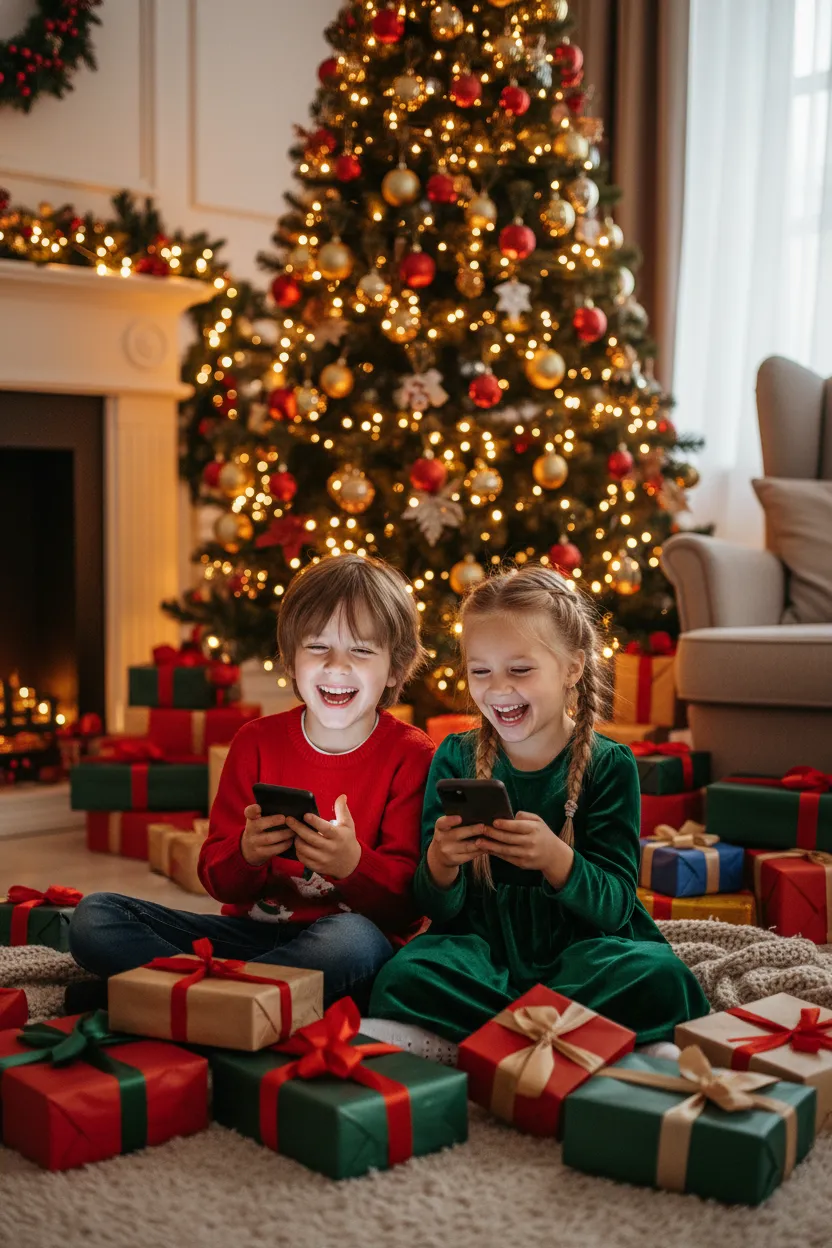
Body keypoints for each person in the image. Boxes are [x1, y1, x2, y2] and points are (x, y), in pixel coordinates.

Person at [70, 555, 434, 1012]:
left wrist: (353, 864)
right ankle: (232, 1005)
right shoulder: (255, 742)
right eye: (317, 646)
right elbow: (216, 878)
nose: (336, 666)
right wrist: (246, 852)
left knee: (355, 941)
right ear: (291, 659)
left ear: (396, 668)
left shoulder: (412, 755)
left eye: (361, 651)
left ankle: (179, 999)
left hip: (342, 946)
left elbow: (410, 906)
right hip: (248, 939)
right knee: (95, 917)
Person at [368, 563, 709, 1048]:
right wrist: (441, 862)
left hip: (583, 951)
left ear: (573, 668)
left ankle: (494, 1037)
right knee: (405, 976)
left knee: (662, 978)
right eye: (480, 671)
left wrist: (556, 859)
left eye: (520, 670)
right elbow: (435, 907)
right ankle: (567, 1035)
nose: (498, 689)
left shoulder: (610, 764)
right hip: (481, 950)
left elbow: (615, 906)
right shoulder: (454, 756)